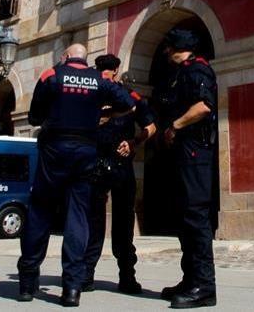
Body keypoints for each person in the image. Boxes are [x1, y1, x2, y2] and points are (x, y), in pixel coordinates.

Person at [17, 44, 135, 307]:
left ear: (66, 57)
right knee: (78, 217)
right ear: (85, 60)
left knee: (40, 212)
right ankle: (72, 288)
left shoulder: (51, 75)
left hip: (54, 149)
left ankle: (27, 283)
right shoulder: (99, 80)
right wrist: (101, 115)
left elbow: (35, 116)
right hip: (85, 151)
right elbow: (128, 105)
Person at [155, 29, 219, 309]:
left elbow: (204, 106)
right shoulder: (181, 72)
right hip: (184, 153)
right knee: (184, 219)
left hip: (196, 151)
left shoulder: (198, 70)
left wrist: (176, 126)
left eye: (168, 46)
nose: (165, 51)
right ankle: (190, 279)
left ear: (177, 47)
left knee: (195, 218)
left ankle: (204, 287)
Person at [83, 54, 156, 295]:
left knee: (93, 222)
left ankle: (86, 276)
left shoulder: (89, 93)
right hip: (117, 162)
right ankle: (126, 277)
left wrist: (133, 142)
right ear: (116, 70)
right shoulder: (129, 95)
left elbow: (150, 125)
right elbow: (151, 126)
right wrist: (134, 142)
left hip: (99, 162)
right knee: (123, 223)